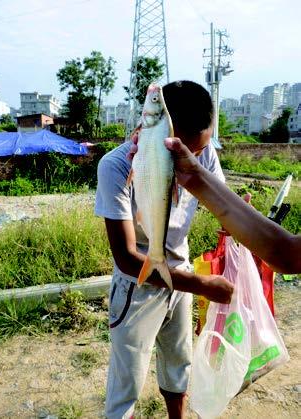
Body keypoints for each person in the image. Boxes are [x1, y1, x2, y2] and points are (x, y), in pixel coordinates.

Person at [94, 80, 233, 419]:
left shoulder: (203, 150)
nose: (196, 159)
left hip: (180, 274)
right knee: (126, 382)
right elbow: (126, 258)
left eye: (200, 152)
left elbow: (221, 200)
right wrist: (200, 285)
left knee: (178, 365)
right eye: (188, 151)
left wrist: (232, 221)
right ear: (164, 135)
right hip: (139, 284)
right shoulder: (117, 166)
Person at [129, 135, 301, 274]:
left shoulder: (206, 153)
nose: (198, 155)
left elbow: (288, 255)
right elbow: (285, 254)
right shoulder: (117, 164)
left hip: (179, 268)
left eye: (201, 150)